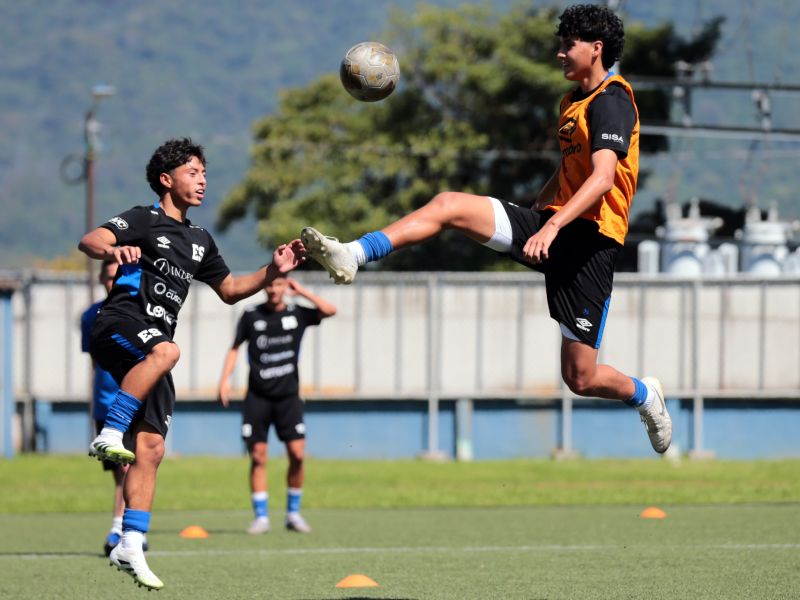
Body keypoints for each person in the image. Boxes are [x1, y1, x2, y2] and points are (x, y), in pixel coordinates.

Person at [301, 4, 671, 455]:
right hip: (552, 223)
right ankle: (356, 253)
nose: (559, 53)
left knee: (581, 378)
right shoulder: (572, 103)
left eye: (567, 44)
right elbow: (572, 165)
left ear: (596, 49)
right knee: (450, 205)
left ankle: (644, 394)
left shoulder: (613, 100)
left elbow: (602, 179)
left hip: (590, 245)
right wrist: (541, 203)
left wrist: (550, 226)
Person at [78, 137, 306, 590]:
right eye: (193, 172)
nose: (202, 180)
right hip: (120, 323)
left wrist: (274, 270)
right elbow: (91, 239)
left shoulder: (200, 240)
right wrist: (113, 250)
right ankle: (108, 433)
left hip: (153, 346)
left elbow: (231, 290)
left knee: (152, 448)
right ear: (167, 179)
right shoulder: (146, 219)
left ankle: (130, 541)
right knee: (167, 352)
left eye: (204, 173)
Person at [217, 275, 336, 535]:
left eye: (279, 284)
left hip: (288, 398)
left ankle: (293, 514)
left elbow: (330, 310)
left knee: (297, 454)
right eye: (269, 284)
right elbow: (235, 347)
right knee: (258, 456)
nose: (273, 289)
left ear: (286, 286)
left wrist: (302, 291)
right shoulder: (251, 315)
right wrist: (224, 380)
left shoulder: (298, 314)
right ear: (264, 287)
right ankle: (261, 517)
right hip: (257, 397)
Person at [80, 259, 149, 557]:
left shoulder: (139, 311)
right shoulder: (89, 316)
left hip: (133, 401)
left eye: (117, 278)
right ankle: (126, 526)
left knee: (131, 465)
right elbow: (94, 360)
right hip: (104, 403)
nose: (112, 283)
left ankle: (125, 529)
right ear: (101, 278)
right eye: (109, 277)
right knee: (119, 473)